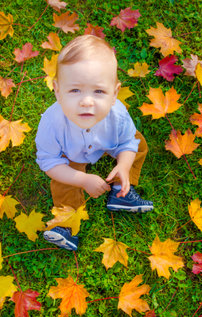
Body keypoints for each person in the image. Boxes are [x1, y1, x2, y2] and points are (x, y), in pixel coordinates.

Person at [35, 35, 153, 251]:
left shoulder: (117, 114)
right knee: (64, 183)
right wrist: (83, 179)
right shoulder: (51, 124)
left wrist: (124, 164)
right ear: (58, 91)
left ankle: (121, 190)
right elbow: (49, 162)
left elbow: (127, 142)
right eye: (75, 90)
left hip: (108, 143)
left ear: (114, 93)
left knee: (139, 145)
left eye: (98, 91)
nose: (87, 101)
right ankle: (66, 222)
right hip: (69, 155)